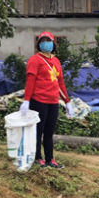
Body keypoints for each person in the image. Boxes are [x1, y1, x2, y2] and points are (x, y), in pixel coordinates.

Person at [20, 31, 73, 169]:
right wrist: (26, 101)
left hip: (53, 101)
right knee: (38, 130)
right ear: (38, 44)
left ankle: (50, 158)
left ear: (53, 43)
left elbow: (60, 83)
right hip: (39, 100)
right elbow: (30, 81)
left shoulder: (56, 61)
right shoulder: (34, 60)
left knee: (49, 132)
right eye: (42, 41)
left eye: (48, 41)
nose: (46, 43)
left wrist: (67, 102)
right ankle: (38, 157)